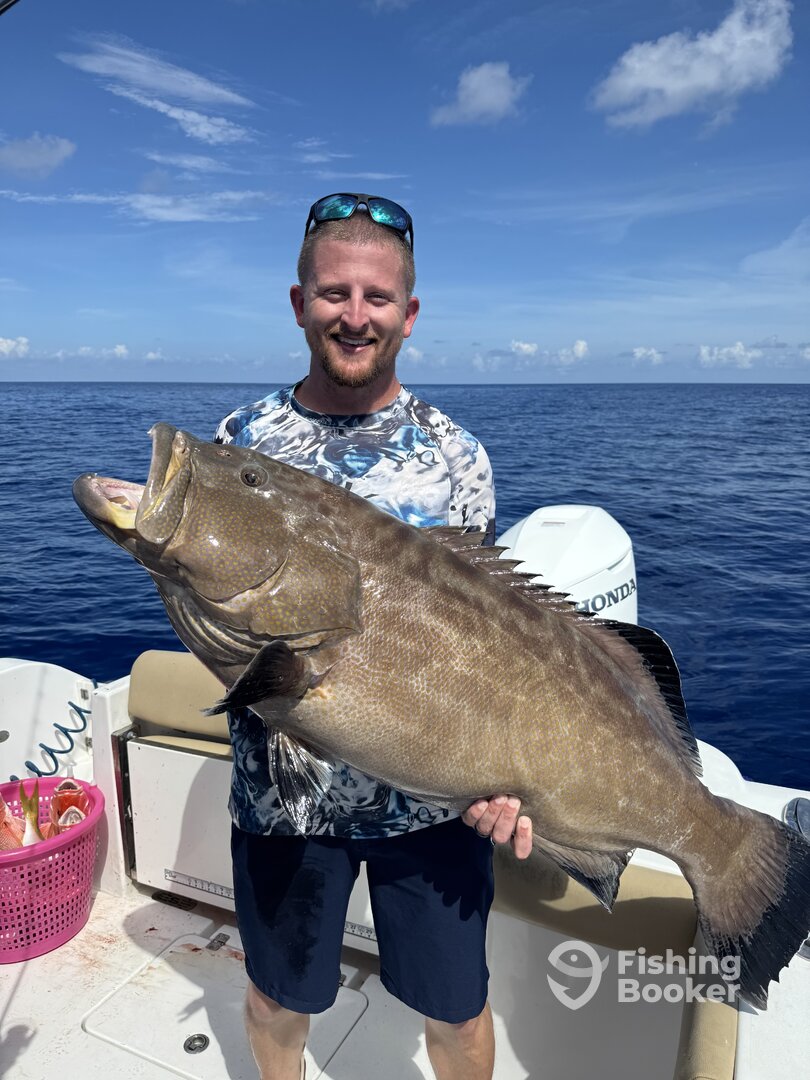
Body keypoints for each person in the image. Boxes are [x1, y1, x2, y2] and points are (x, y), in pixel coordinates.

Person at [214, 193, 533, 1080]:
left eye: (377, 298)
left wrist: (503, 774)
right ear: (299, 301)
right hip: (285, 799)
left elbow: (492, 645)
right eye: (334, 292)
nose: (355, 316)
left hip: (432, 804)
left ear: (409, 314)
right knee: (278, 999)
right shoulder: (243, 442)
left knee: (458, 1010)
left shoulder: (457, 456)